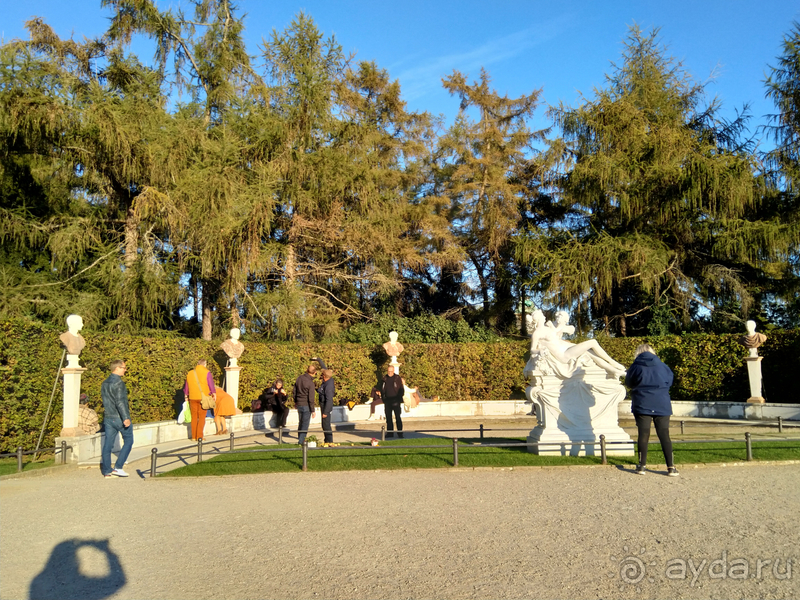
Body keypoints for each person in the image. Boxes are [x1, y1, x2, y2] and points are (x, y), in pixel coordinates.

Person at [625, 344, 679, 477]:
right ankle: (671, 467)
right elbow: (670, 381)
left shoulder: (635, 366)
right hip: (661, 403)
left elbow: (629, 382)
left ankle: (641, 466)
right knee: (664, 435)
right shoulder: (662, 366)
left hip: (642, 402)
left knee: (643, 435)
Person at [529, 309, 626, 377]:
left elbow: (564, 329)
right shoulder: (537, 333)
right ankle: (612, 362)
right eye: (542, 316)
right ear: (538, 319)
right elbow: (532, 349)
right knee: (593, 342)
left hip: (567, 348)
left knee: (590, 353)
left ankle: (614, 370)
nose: (544, 317)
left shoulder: (548, 327)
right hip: (564, 355)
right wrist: (540, 350)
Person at [100, 360, 134, 478]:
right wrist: (126, 418)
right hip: (119, 417)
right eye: (124, 367)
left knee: (107, 445)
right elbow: (120, 402)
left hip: (108, 417)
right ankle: (118, 467)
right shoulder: (119, 383)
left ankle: (107, 471)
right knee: (129, 441)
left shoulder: (104, 383)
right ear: (117, 368)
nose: (125, 370)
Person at [183, 359, 217, 441]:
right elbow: (210, 384)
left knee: (194, 417)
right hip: (203, 397)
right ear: (205, 364)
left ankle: (193, 437)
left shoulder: (190, 373)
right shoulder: (207, 372)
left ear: (197, 364)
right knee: (201, 417)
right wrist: (214, 393)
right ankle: (200, 436)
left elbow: (186, 385)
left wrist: (186, 395)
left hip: (192, 397)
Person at [293, 365, 317, 444]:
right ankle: (301, 441)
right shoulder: (310, 383)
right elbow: (311, 398)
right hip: (306, 405)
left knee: (301, 422)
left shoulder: (299, 378)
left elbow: (294, 391)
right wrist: (313, 410)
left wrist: (295, 401)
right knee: (305, 424)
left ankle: (300, 437)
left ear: (307, 370)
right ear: (314, 373)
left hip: (299, 403)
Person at [381, 365, 404, 438]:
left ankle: (400, 433)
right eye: (388, 371)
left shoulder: (397, 378)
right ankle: (390, 433)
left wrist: (398, 398)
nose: (390, 373)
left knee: (398, 417)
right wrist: (384, 398)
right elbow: (382, 389)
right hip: (387, 401)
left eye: (391, 371)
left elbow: (401, 389)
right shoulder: (384, 378)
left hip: (396, 400)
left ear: (393, 371)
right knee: (388, 418)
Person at [317, 369, 336, 444]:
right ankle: (326, 440)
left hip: (326, 407)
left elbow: (329, 400)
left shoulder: (328, 386)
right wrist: (318, 360)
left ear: (324, 376)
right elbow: (324, 367)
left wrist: (326, 412)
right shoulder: (328, 380)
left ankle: (329, 441)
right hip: (324, 406)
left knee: (326, 425)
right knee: (324, 424)